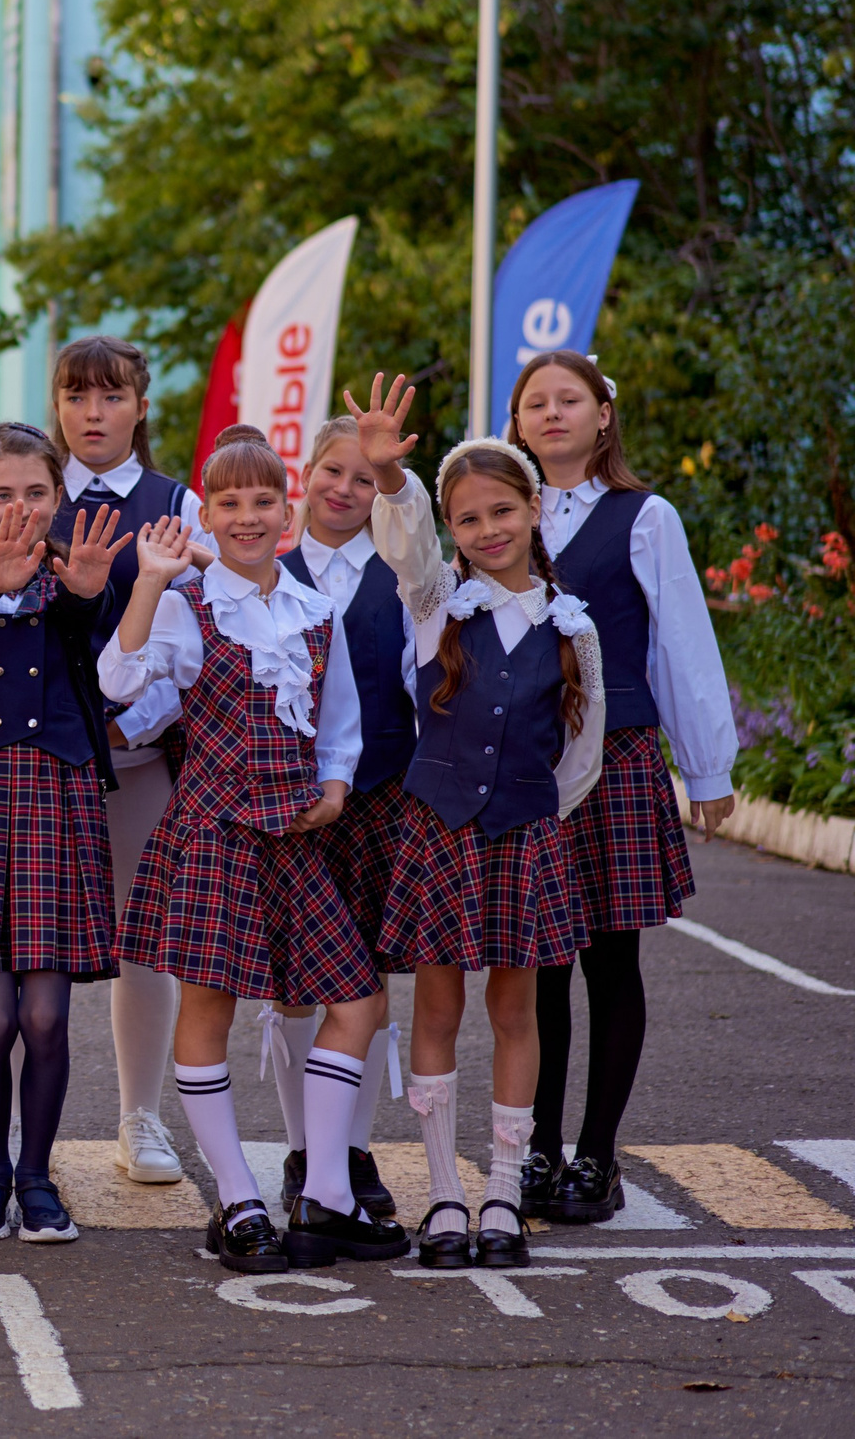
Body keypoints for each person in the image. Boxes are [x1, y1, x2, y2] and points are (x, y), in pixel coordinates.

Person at [102, 425, 407, 1273]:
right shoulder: (187, 604)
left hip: (298, 838)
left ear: (289, 504)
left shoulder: (316, 609)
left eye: (263, 499)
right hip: (214, 834)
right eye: (229, 502)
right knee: (208, 1011)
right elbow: (118, 682)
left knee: (357, 1003)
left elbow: (340, 720)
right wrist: (149, 583)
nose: (247, 516)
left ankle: (325, 1194)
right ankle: (238, 1199)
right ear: (209, 510)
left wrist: (338, 785)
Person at [348, 375, 605, 1268]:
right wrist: (389, 477)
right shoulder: (436, 606)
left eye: (503, 510)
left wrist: (532, 812)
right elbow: (409, 544)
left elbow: (584, 753)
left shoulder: (573, 626)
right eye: (468, 519)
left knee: (515, 1008)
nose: (488, 529)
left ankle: (502, 1186)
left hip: (525, 836)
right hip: (440, 831)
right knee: (438, 1005)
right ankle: (444, 1193)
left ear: (536, 508)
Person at [507, 350, 737, 1225]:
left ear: (604, 415)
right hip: (523, 758)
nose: (554, 413)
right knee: (537, 964)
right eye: (537, 402)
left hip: (616, 758)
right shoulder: (499, 512)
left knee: (610, 958)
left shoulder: (646, 516)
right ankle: (535, 1146)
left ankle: (595, 1157)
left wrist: (707, 764)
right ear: (518, 421)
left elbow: (680, 639)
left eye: (571, 399)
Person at [0, 423, 129, 1242]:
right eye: (2, 492)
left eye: (37, 492)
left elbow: (98, 614)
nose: (21, 506)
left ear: (60, 496)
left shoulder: (82, 574)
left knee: (44, 1017)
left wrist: (82, 590)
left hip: (58, 792)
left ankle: (37, 1178)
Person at [48, 336, 213, 1188]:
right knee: (26, 949)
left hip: (138, 760)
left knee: (142, 944)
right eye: (76, 397)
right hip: (40, 765)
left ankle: (139, 1118)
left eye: (110, 397)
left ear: (141, 406)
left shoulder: (174, 502)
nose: (92, 413)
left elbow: (191, 647)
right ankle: (16, 1138)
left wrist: (127, 725)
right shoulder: (30, 492)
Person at [264, 414, 413, 1226]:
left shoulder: (403, 572)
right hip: (291, 806)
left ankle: (351, 1154)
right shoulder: (265, 568)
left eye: (363, 478)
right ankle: (301, 1151)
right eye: (332, 471)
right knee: (294, 987)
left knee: (368, 986)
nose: (345, 489)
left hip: (381, 795)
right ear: (306, 472)